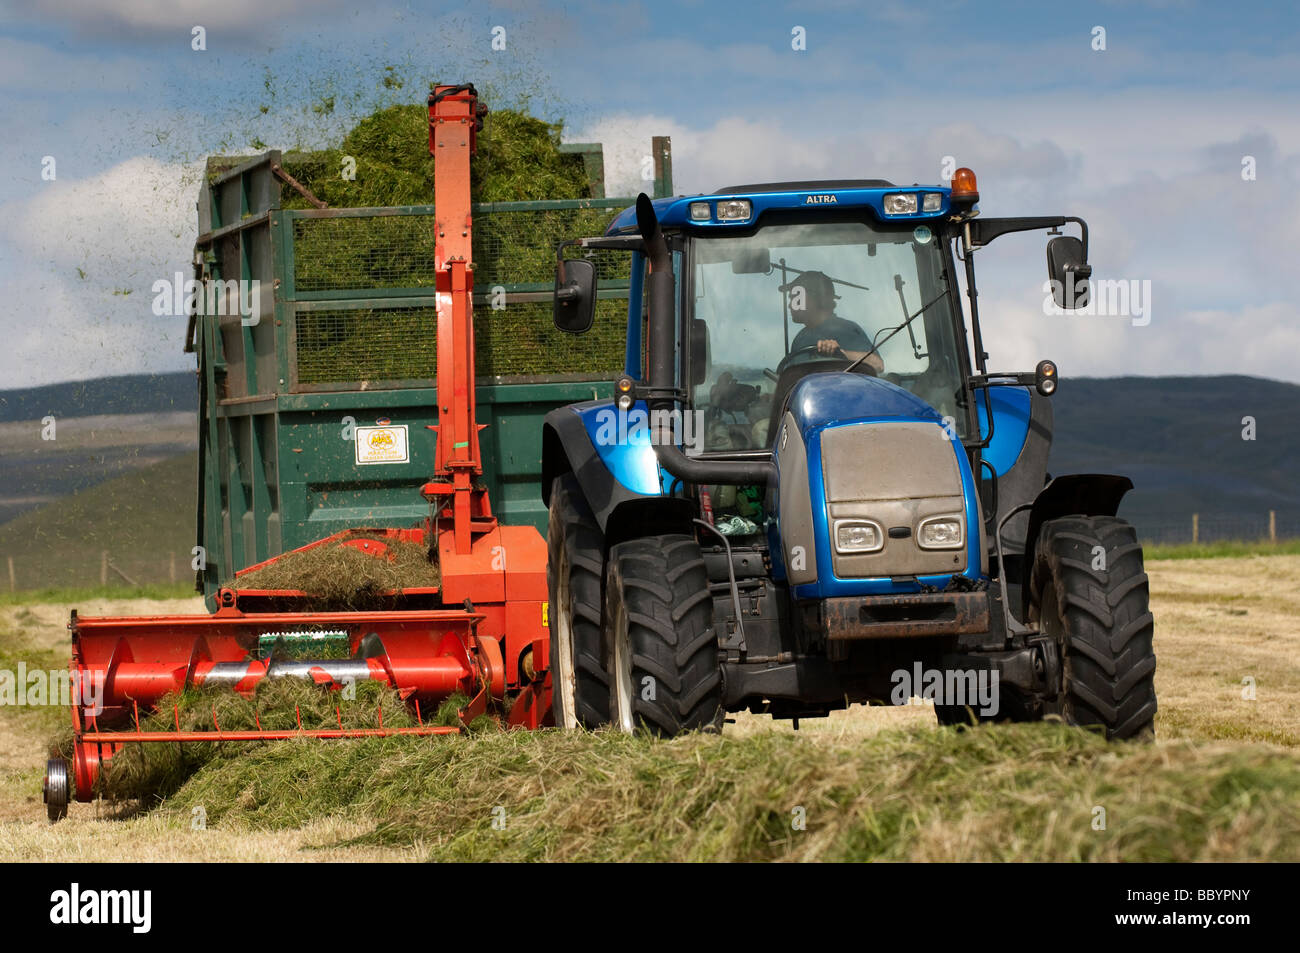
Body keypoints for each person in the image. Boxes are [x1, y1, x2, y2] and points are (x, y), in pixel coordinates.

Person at [779, 270, 884, 373]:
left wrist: (841, 353)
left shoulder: (846, 329)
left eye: (795, 298)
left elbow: (878, 364)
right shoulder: (800, 338)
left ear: (817, 298)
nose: (790, 305)